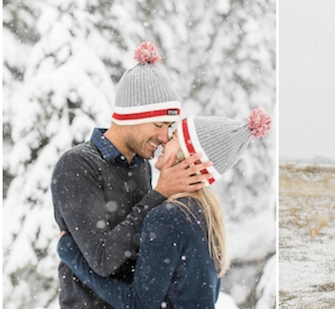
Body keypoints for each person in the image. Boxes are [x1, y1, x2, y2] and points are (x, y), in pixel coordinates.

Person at [51, 42, 213, 308]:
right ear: (130, 117)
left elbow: (141, 246)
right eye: (158, 124)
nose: (164, 137)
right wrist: (159, 194)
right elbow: (102, 259)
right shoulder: (78, 166)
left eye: (169, 126)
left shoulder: (140, 165)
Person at [57, 109, 272, 308]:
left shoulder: (167, 217)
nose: (164, 140)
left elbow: (138, 304)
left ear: (188, 157)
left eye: (174, 137)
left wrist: (70, 253)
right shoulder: (204, 211)